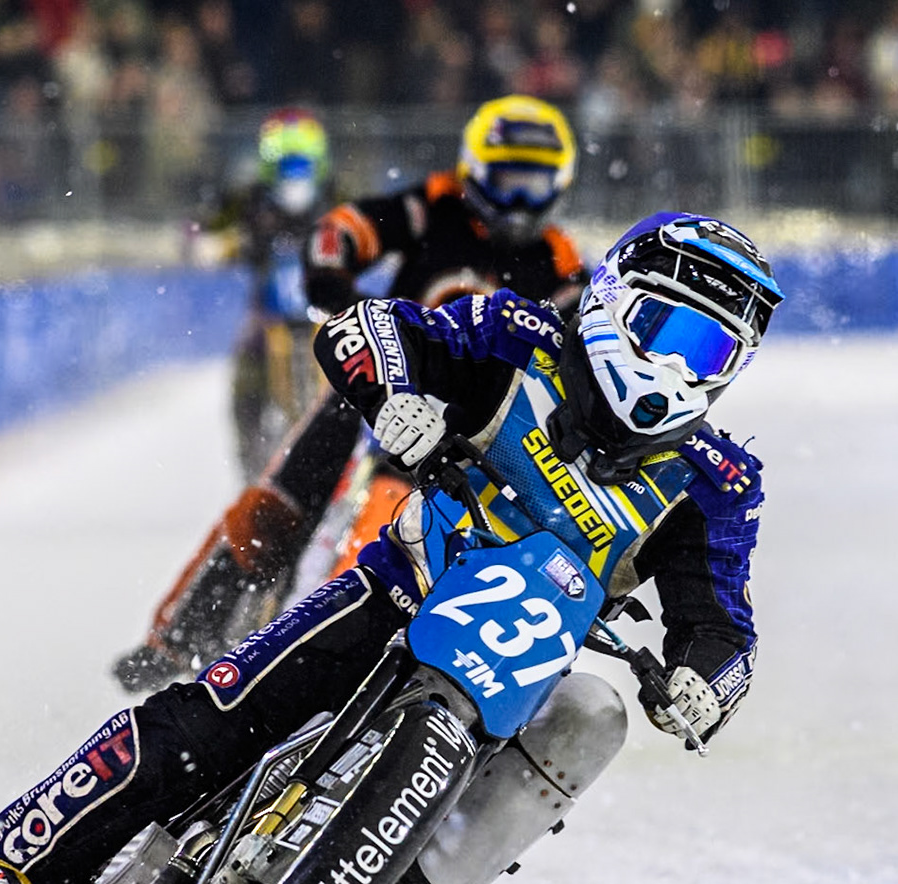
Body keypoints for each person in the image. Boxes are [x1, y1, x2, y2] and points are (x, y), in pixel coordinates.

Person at [0, 211, 782, 884]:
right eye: (663, 331)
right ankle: (6, 878)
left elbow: (723, 626)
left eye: (708, 354)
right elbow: (365, 330)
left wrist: (704, 683)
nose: (675, 369)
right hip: (400, 585)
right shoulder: (515, 334)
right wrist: (393, 398)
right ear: (610, 305)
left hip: (521, 670)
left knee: (595, 718)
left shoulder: (717, 484)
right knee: (222, 708)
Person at [111, 94, 589, 694]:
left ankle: (337, 659)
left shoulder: (559, 259)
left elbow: (584, 348)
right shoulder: (431, 206)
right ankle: (177, 640)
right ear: (474, 169)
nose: (517, 201)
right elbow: (339, 232)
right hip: (364, 381)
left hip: (463, 430)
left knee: (393, 528)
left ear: (560, 183)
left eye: (534, 184)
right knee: (272, 506)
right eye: (506, 180)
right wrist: (334, 290)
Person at [200, 107, 337, 477]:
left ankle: (358, 461)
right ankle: (253, 466)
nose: (293, 176)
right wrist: (216, 243)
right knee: (246, 382)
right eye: (285, 166)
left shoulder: (336, 198)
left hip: (328, 315)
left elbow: (374, 226)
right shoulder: (248, 200)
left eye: (301, 165)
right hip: (267, 317)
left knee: (361, 372)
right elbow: (204, 229)